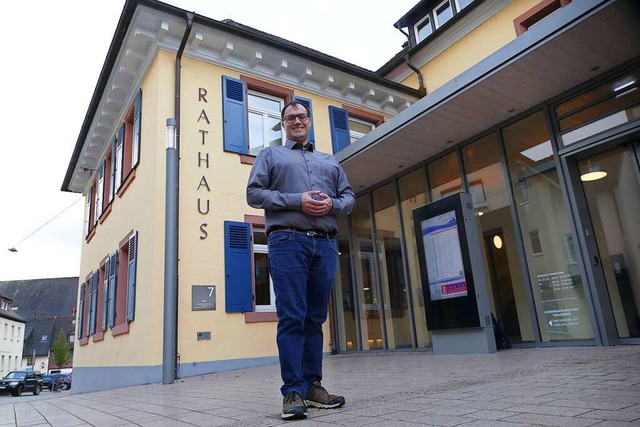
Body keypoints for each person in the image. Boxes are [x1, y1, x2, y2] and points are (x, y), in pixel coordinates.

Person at [247, 101, 355, 420]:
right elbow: (254, 194)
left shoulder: (329, 161)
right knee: (292, 316)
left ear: (309, 122)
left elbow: (349, 198)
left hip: (324, 244)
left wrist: (331, 204)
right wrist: (299, 200)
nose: (297, 121)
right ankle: (292, 391)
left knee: (316, 318)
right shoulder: (270, 156)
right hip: (287, 240)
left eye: (302, 117)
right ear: (283, 124)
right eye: (290, 117)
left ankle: (312, 386)